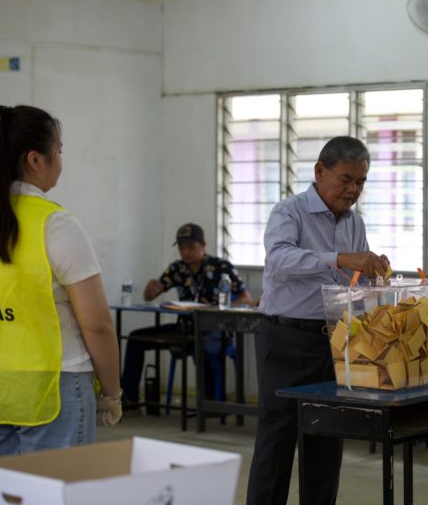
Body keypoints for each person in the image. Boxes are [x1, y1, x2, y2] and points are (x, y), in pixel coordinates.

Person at [0, 105, 122, 458]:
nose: (61, 160)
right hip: (53, 389)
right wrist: (111, 394)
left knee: (2, 496)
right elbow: (98, 324)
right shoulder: (55, 224)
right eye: (58, 150)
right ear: (35, 160)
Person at [246, 136, 391, 505]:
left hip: (334, 341)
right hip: (285, 339)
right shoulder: (289, 212)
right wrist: (341, 258)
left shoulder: (354, 222)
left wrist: (373, 278)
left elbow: (349, 283)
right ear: (320, 172)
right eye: (346, 179)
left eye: (361, 182)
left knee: (327, 440)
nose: (353, 189)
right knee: (277, 443)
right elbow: (280, 259)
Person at [120, 223, 252, 409]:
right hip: (183, 329)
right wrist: (151, 289)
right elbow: (149, 296)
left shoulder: (221, 267)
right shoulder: (177, 268)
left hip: (212, 331)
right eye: (182, 248)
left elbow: (245, 298)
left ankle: (210, 406)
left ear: (203, 245)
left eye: (191, 247)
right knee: (135, 338)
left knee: (204, 348)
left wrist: (216, 307)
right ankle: (129, 399)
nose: (186, 252)